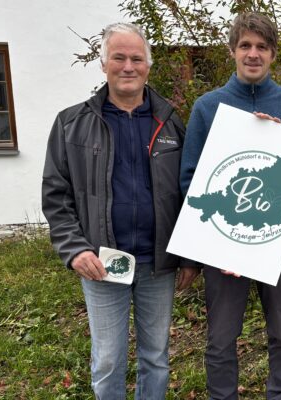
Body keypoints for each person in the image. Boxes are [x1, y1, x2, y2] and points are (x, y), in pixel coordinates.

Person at [42, 22, 199, 399]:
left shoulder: (170, 122)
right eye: (119, 57)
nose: (128, 66)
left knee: (156, 358)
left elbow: (190, 192)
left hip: (158, 263)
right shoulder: (71, 124)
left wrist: (190, 256)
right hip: (102, 263)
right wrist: (75, 249)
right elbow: (56, 194)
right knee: (109, 360)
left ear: (148, 65)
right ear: (103, 64)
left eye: (136, 58)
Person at [179, 12, 281, 400]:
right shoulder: (208, 107)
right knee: (221, 339)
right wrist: (221, 244)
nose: (253, 54)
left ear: (273, 54)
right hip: (223, 246)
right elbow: (190, 180)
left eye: (262, 46)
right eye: (245, 45)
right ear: (232, 51)